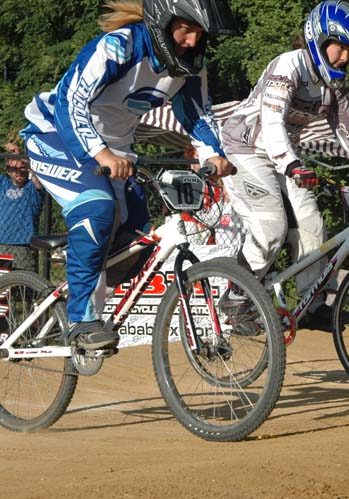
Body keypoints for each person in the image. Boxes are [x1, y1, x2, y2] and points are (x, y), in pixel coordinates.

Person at [20, 0, 237, 350]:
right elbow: (69, 102)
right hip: (55, 135)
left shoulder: (191, 67)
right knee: (97, 209)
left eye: (201, 33)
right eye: (186, 30)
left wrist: (213, 154)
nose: (193, 41)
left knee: (138, 238)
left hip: (116, 152)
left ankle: (84, 291)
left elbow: (197, 114)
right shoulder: (119, 46)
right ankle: (81, 320)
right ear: (163, 22)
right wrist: (101, 152)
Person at [220, 0, 349, 331]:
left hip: (284, 156)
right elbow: (272, 120)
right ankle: (235, 298)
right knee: (272, 226)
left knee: (312, 225)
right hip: (244, 148)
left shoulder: (335, 84)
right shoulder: (288, 65)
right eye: (342, 48)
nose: (345, 58)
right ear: (319, 39)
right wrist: (291, 164)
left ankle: (312, 305)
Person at [0, 140, 44, 271]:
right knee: (3, 281)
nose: (19, 172)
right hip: (2, 242)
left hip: (23, 244)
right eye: (14, 169)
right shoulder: (4, 184)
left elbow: (38, 178)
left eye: (22, 168)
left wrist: (20, 155)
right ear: (9, 171)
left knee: (23, 280)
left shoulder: (32, 187)